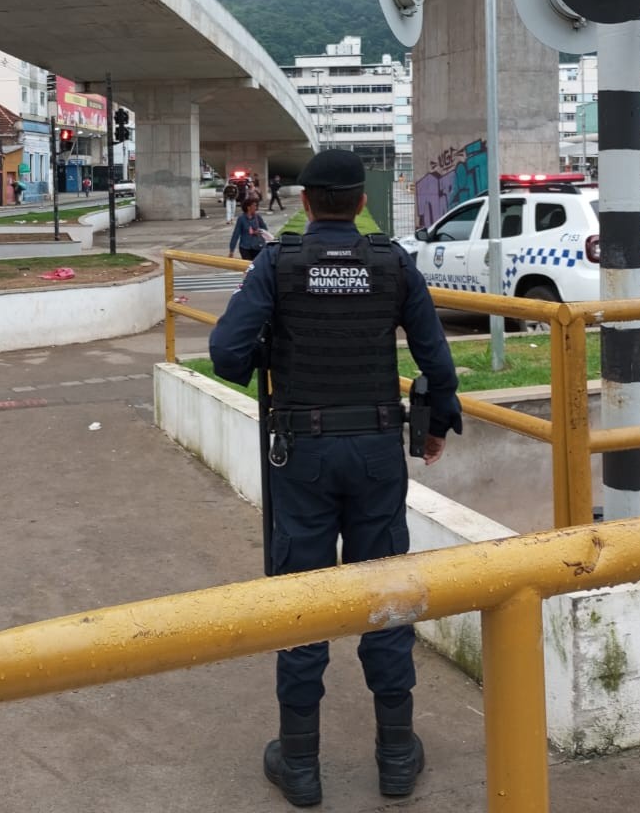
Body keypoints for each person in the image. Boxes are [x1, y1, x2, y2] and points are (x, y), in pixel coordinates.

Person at [209, 149, 461, 807]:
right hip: (377, 451)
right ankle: (397, 758)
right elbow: (434, 356)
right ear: (358, 202)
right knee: (385, 592)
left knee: (301, 599)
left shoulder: (277, 264)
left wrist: (271, 346)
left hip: (304, 456)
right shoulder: (390, 262)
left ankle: (300, 766)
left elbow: (225, 354)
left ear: (305, 202)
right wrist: (438, 423)